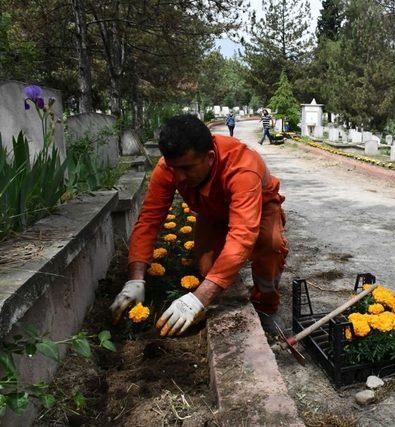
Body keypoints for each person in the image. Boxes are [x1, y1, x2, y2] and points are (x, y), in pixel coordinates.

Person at [110, 115, 288, 337]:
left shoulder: (243, 168)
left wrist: (199, 298)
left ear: (210, 157)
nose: (179, 177)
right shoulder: (171, 166)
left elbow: (243, 234)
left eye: (186, 168)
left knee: (269, 245)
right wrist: (135, 279)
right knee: (208, 267)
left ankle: (266, 306)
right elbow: (149, 220)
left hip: (258, 206)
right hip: (212, 210)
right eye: (173, 168)